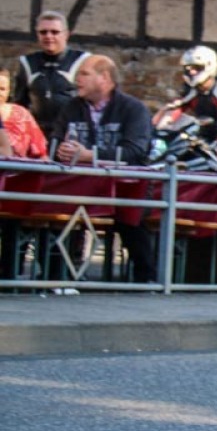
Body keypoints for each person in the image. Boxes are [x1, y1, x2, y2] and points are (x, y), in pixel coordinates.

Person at [48, 55, 157, 283]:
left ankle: (147, 280)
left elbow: (135, 151)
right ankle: (56, 275)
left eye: (84, 74)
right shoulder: (71, 107)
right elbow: (55, 143)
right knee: (51, 213)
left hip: (124, 188)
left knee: (132, 219)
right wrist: (62, 151)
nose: (77, 79)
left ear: (104, 78)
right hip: (78, 186)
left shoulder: (133, 109)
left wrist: (90, 155)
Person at [10, 10, 92, 139]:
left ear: (66, 34)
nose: (48, 36)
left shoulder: (83, 61)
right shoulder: (27, 63)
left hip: (72, 136)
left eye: (55, 32)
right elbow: (19, 106)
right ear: (37, 34)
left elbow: (95, 102)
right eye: (43, 32)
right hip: (38, 135)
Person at [153, 45, 217, 144]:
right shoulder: (190, 90)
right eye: (188, 68)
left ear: (210, 66)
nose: (192, 72)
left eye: (197, 67)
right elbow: (174, 109)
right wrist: (160, 130)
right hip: (203, 139)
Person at [0, 67, 49, 159]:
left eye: (2, 89)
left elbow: (41, 152)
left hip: (21, 171)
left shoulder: (22, 114)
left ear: (8, 91)